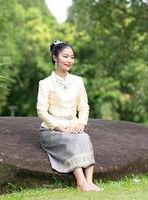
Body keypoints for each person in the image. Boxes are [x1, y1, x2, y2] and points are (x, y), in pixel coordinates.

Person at [37, 40, 101, 192]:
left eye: (72, 57)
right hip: (52, 129)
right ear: (55, 57)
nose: (69, 60)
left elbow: (84, 107)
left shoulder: (78, 81)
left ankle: (90, 181)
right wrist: (60, 127)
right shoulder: (45, 83)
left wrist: (81, 123)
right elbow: (41, 111)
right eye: (65, 56)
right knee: (69, 140)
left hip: (73, 125)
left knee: (84, 137)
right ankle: (80, 182)